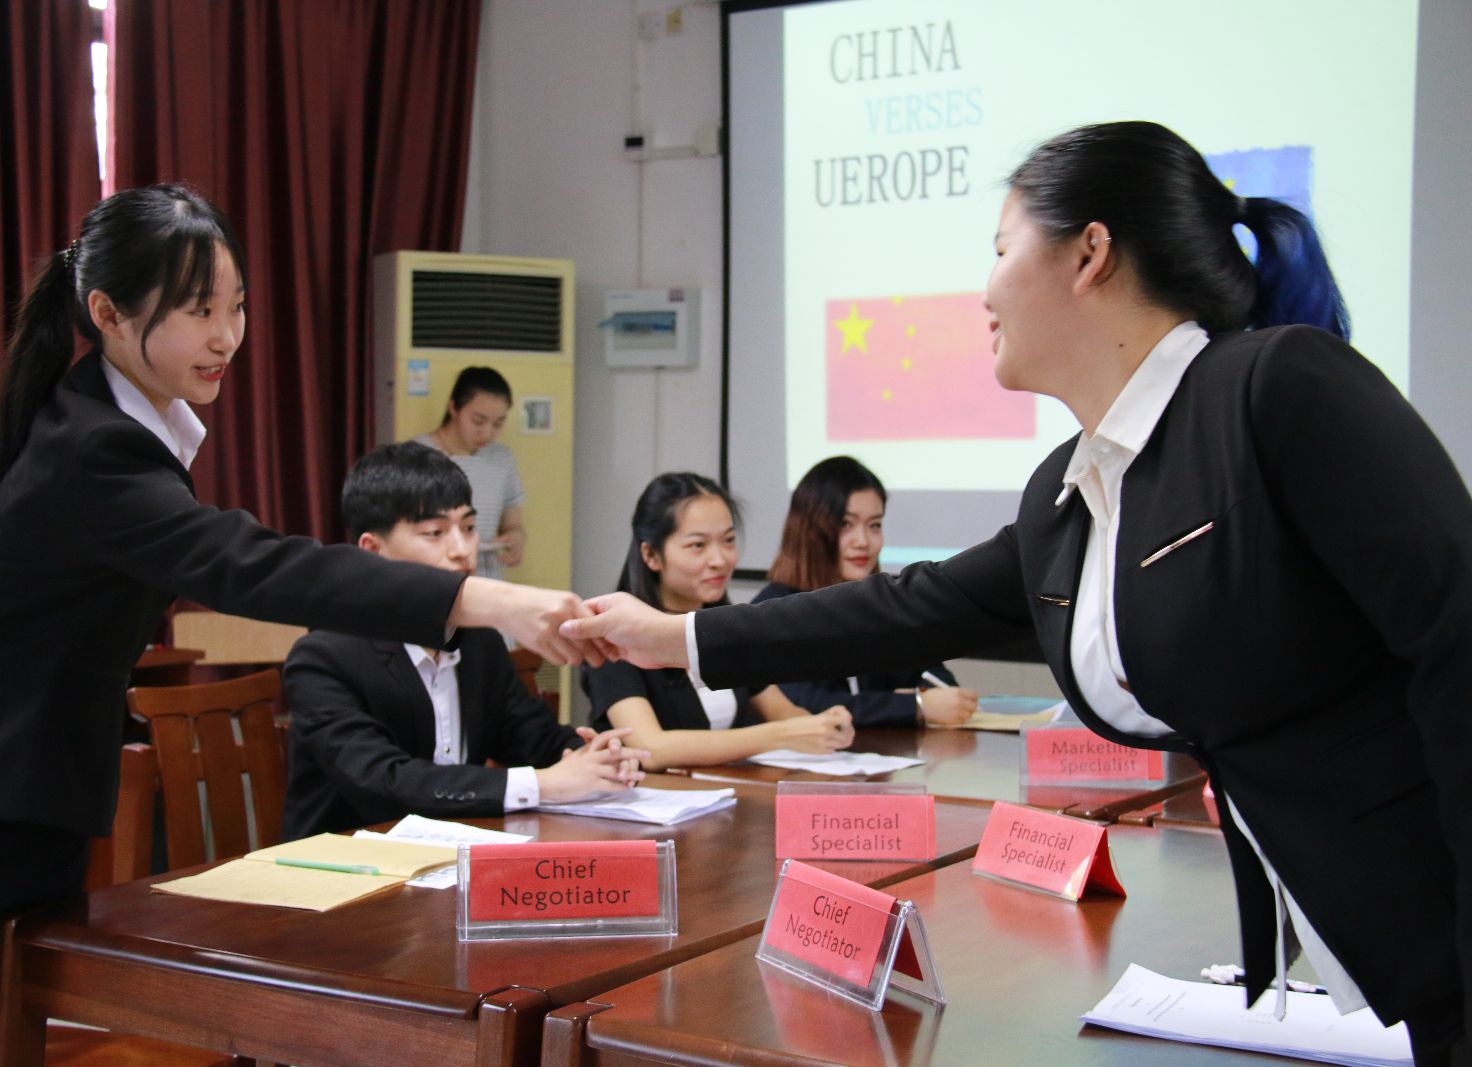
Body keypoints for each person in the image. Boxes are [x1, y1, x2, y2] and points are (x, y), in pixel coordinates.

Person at [564, 121, 1472, 1064]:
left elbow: (1456, 636)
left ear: (1090, 253)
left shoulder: (1276, 387)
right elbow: (912, 606)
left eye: (1001, 250)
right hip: (1376, 939)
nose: (986, 289)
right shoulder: (1072, 491)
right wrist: (679, 638)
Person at [0, 185, 601, 1067]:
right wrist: (490, 599)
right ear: (107, 313)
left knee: (1, 1035)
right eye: (198, 311)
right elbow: (253, 563)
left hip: (21, 780)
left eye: (238, 306)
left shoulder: (109, 420)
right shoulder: (96, 446)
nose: (227, 336)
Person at [282, 442, 647, 838]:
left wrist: (592, 754)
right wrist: (544, 784)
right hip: (346, 862)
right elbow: (384, 781)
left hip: (453, 853)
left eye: (469, 528)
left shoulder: (478, 641)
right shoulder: (324, 656)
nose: (461, 551)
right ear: (373, 551)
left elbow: (530, 735)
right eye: (434, 533)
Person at [582, 473, 854, 771]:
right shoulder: (615, 636)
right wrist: (782, 735)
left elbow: (781, 711)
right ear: (651, 555)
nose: (720, 560)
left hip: (726, 791)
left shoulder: (726, 626)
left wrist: (825, 725)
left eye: (728, 540)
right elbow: (651, 748)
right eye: (698, 545)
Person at [756, 455, 977, 728]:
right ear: (809, 530)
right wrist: (914, 706)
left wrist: (922, 697)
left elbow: (938, 679)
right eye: (845, 524)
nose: (863, 541)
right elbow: (805, 706)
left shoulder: (881, 603)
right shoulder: (772, 612)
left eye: (874, 525)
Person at [415, 366, 526, 581]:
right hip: (435, 575)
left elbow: (513, 522)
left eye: (498, 423)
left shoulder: (502, 458)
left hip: (487, 575)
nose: (487, 432)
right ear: (454, 408)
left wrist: (516, 537)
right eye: (478, 421)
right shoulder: (419, 455)